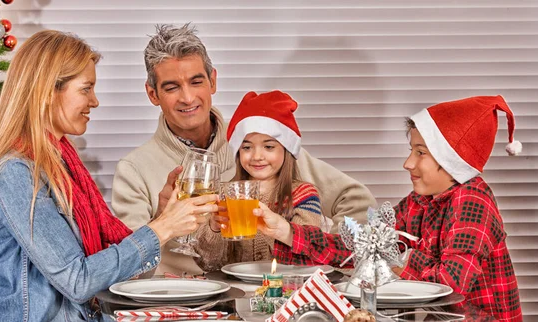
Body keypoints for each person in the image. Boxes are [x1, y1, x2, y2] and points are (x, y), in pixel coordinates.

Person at [0, 30, 218, 322]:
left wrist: (161, 219)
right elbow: (78, 281)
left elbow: (118, 273)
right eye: (86, 89)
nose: (95, 101)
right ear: (47, 92)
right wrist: (162, 229)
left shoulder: (62, 164)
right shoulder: (16, 174)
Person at [111, 23, 376, 276]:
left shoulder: (260, 146)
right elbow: (128, 268)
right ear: (152, 94)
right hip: (182, 303)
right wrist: (162, 219)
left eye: (196, 82)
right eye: (172, 87)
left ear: (212, 81)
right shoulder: (134, 170)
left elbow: (358, 204)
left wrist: (328, 254)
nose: (188, 98)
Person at [252, 95, 523, 322]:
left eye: (420, 152)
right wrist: (285, 230)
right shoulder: (419, 201)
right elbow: (360, 246)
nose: (408, 163)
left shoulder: (472, 201)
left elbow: (450, 284)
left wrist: (397, 255)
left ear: (450, 161)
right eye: (411, 150)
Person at [192, 90, 329, 271]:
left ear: (286, 150)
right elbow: (208, 264)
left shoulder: (303, 195)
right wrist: (214, 229)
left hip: (284, 289)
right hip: (238, 289)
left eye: (269, 146)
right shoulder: (225, 194)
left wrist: (267, 227)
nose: (257, 156)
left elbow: (307, 255)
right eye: (247, 147)